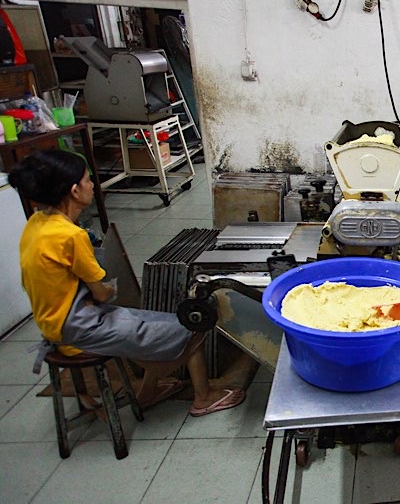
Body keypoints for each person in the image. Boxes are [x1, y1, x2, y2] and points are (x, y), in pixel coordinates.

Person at [9, 149, 245, 417]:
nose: (92, 185)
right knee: (191, 326)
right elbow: (102, 295)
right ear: (75, 191)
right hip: (79, 327)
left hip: (54, 322)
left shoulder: (37, 223)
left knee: (150, 321)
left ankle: (151, 387)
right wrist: (113, 288)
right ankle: (204, 398)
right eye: (88, 180)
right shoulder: (69, 236)